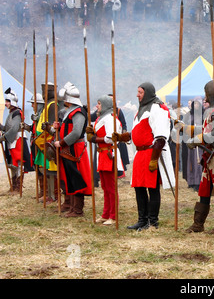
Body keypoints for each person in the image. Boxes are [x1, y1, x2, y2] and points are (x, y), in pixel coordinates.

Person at [183, 81, 214, 234]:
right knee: (204, 190)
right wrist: (190, 129)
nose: (204, 97)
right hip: (210, 156)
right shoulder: (213, 110)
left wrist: (197, 139)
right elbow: (207, 128)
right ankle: (198, 224)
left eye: (206, 93)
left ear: (210, 94)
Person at [124, 82, 174, 231]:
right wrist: (122, 137)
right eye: (137, 92)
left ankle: (152, 222)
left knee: (152, 188)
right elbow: (139, 131)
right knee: (139, 187)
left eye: (140, 92)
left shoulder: (157, 109)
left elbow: (161, 136)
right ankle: (142, 220)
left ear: (148, 93)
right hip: (140, 154)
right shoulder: (141, 109)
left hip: (151, 153)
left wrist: (153, 159)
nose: (137, 95)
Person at [52, 82, 92, 217]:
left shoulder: (78, 112)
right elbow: (69, 128)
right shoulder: (70, 111)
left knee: (76, 177)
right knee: (70, 176)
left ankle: (77, 209)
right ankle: (72, 207)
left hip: (75, 149)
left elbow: (76, 132)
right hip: (69, 148)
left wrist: (62, 143)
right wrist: (59, 127)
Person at [86, 95, 125, 226]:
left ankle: (113, 216)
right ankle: (105, 214)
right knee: (104, 186)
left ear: (106, 105)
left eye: (99, 104)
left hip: (109, 153)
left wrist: (94, 139)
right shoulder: (100, 118)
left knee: (111, 187)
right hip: (102, 154)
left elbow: (110, 138)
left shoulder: (110, 120)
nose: (97, 106)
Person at [0, 88, 34, 193]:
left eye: (7, 101)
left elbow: (14, 128)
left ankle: (18, 187)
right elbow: (7, 128)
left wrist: (3, 138)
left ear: (12, 101)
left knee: (19, 163)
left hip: (17, 139)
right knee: (12, 163)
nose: (5, 104)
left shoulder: (17, 113)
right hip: (11, 140)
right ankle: (14, 186)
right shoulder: (11, 113)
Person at [35, 83, 59, 203]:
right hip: (42, 141)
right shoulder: (47, 105)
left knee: (51, 170)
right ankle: (49, 195)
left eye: (45, 91)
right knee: (45, 169)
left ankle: (54, 195)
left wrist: (47, 127)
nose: (43, 94)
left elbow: (51, 125)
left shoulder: (53, 105)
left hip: (49, 141)